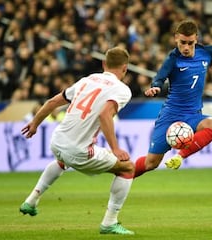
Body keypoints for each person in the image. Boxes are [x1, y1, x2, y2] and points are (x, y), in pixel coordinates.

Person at [19, 47, 135, 235]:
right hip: (80, 150)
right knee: (128, 168)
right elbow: (105, 114)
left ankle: (31, 200)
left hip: (57, 142)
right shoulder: (122, 90)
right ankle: (109, 222)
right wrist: (115, 149)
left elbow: (51, 102)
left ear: (104, 64)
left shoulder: (86, 80)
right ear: (125, 68)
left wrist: (34, 123)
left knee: (62, 160)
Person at [134, 19, 212, 176]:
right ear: (176, 38)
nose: (186, 47)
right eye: (183, 42)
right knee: (150, 163)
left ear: (196, 39)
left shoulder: (205, 53)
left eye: (190, 43)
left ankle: (180, 156)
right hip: (170, 116)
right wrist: (155, 87)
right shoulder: (172, 59)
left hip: (193, 115)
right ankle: (125, 174)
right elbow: (160, 77)